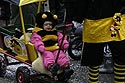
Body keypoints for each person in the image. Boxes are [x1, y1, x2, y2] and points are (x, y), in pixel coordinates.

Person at [64, 0, 125, 83]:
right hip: (106, 20)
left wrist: (76, 17)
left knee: (96, 58)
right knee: (118, 57)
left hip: (105, 20)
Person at [30, 12, 74, 82]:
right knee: (48, 56)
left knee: (60, 54)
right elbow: (36, 40)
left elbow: (60, 38)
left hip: (55, 47)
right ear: (42, 25)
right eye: (46, 25)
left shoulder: (55, 32)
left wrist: (64, 43)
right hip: (45, 49)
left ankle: (66, 67)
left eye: (50, 25)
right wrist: (40, 46)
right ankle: (51, 67)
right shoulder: (39, 33)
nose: (48, 26)